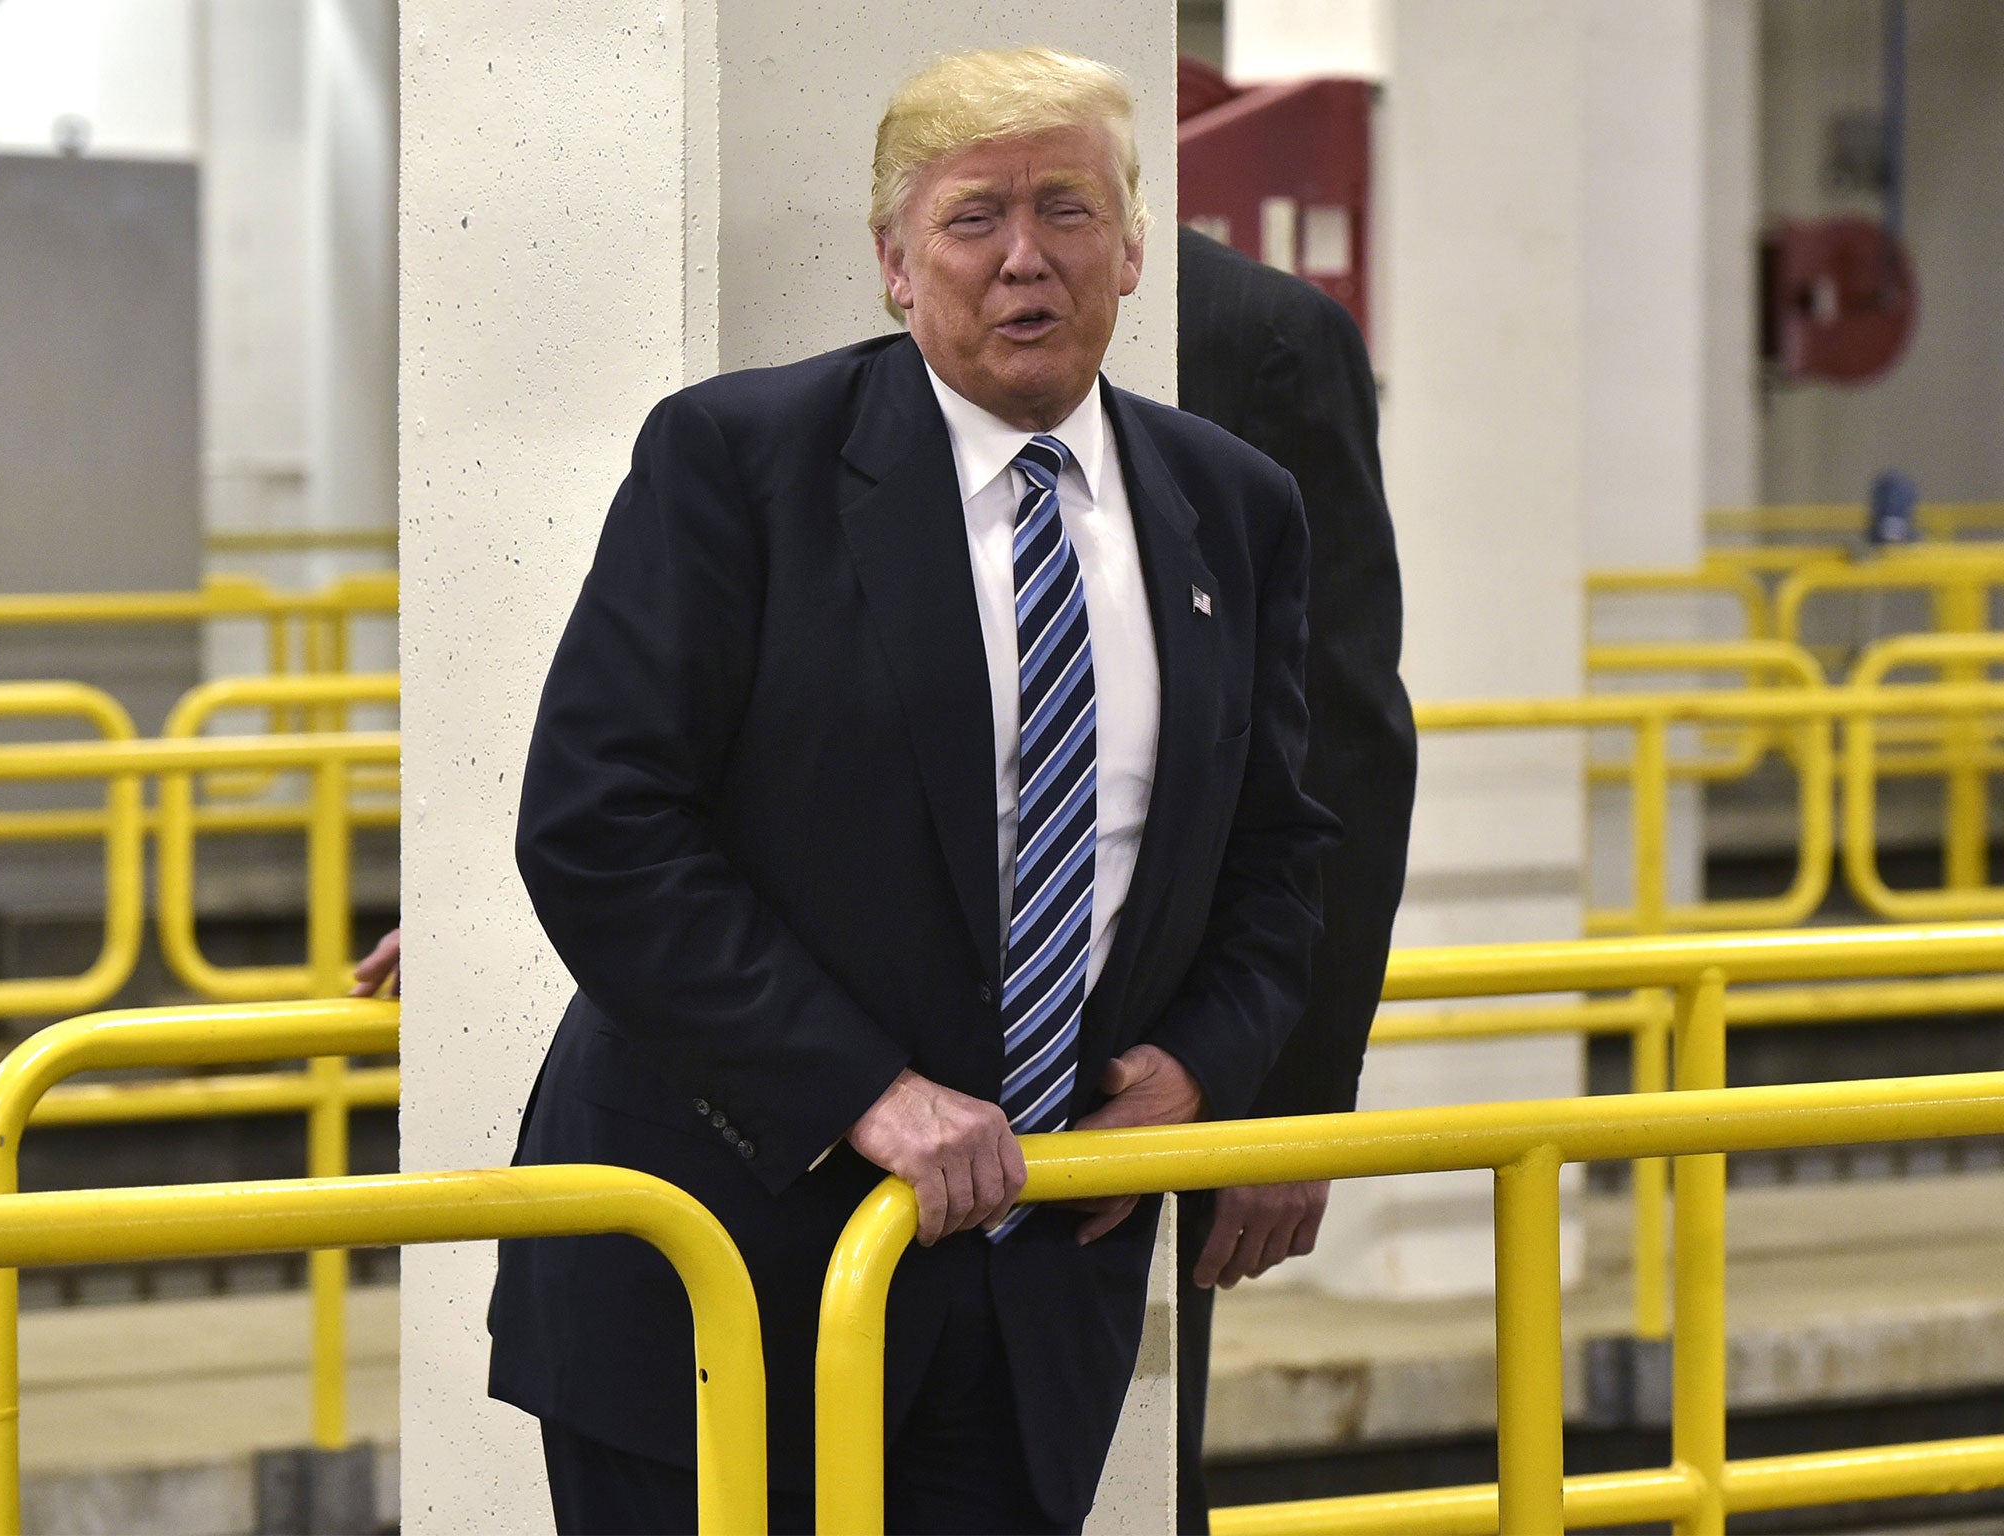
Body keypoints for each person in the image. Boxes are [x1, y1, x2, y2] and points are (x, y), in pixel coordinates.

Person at [485, 47, 1333, 1535]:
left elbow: (1276, 855)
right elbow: (598, 826)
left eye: (1069, 210)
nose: (1026, 258)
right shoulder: (740, 462)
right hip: (719, 1272)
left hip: (1031, 1309)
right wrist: (861, 1093)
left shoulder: (1234, 508)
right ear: (894, 263)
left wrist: (1201, 1071)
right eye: (971, 219)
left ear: (1135, 248)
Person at [1171, 226, 1416, 1532]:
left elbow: (1340, 748)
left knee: (1127, 1477)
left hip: (1170, 1070)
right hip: (881, 1088)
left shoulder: (1256, 338)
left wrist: (1293, 1102)